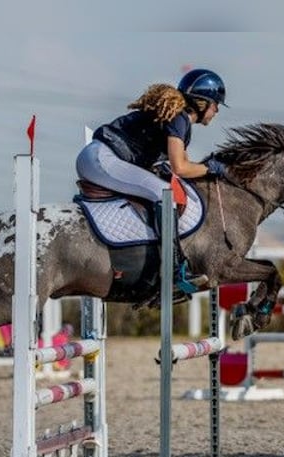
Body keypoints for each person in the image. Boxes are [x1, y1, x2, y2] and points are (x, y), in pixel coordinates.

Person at [76, 68, 227, 294]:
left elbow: (181, 165)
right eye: (216, 104)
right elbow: (181, 167)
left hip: (100, 157)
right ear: (202, 102)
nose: (216, 110)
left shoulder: (179, 120)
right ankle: (175, 269)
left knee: (163, 188)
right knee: (164, 194)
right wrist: (210, 168)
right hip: (101, 159)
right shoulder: (179, 119)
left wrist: (208, 169)